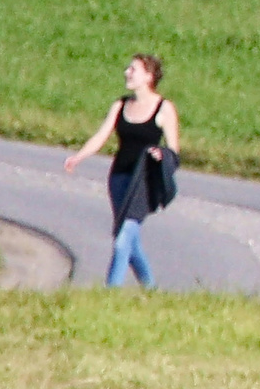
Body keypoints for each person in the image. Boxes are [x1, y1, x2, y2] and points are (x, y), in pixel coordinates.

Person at [64, 54, 180, 287]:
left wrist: (162, 155)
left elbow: (175, 153)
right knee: (129, 241)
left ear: (149, 76)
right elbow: (101, 135)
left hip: (144, 184)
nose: (127, 72)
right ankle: (151, 289)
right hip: (118, 178)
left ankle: (110, 293)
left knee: (122, 240)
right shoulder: (120, 105)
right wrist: (79, 157)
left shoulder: (164, 108)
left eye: (133, 69)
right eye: (128, 68)